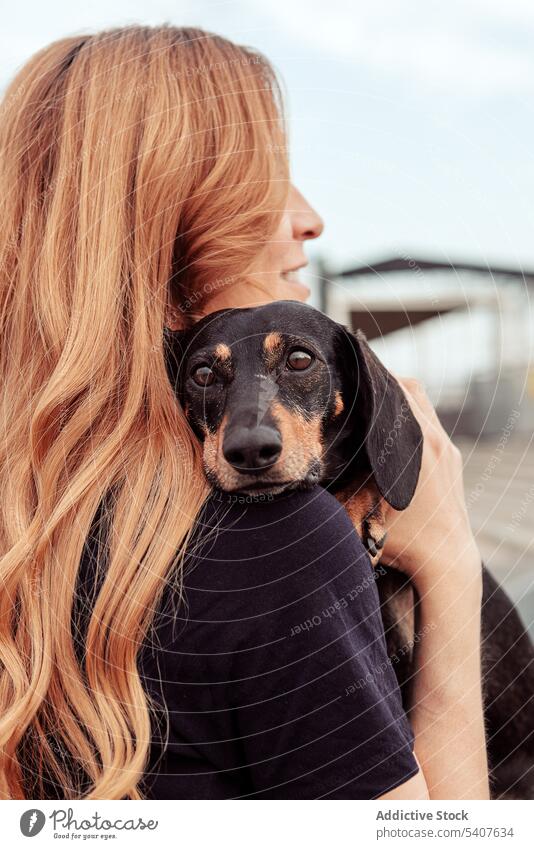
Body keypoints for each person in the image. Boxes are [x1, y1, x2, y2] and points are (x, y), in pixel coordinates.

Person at [0, 24, 489, 800]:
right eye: (267, 183)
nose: (311, 218)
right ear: (163, 234)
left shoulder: (29, 528)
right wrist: (451, 563)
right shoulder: (275, 544)